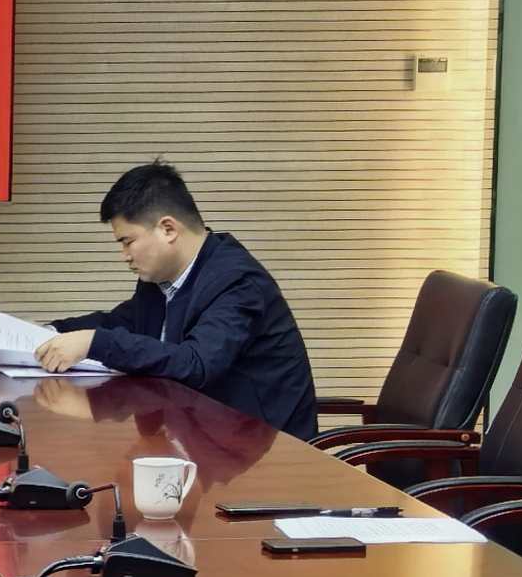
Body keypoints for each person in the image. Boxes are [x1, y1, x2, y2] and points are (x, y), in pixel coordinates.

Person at [27, 162, 319, 440]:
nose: (124, 255)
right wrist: (50, 332)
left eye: (128, 241)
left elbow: (197, 364)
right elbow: (121, 322)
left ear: (168, 229)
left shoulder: (237, 282)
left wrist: (95, 342)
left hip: (265, 451)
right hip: (197, 438)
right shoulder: (161, 279)